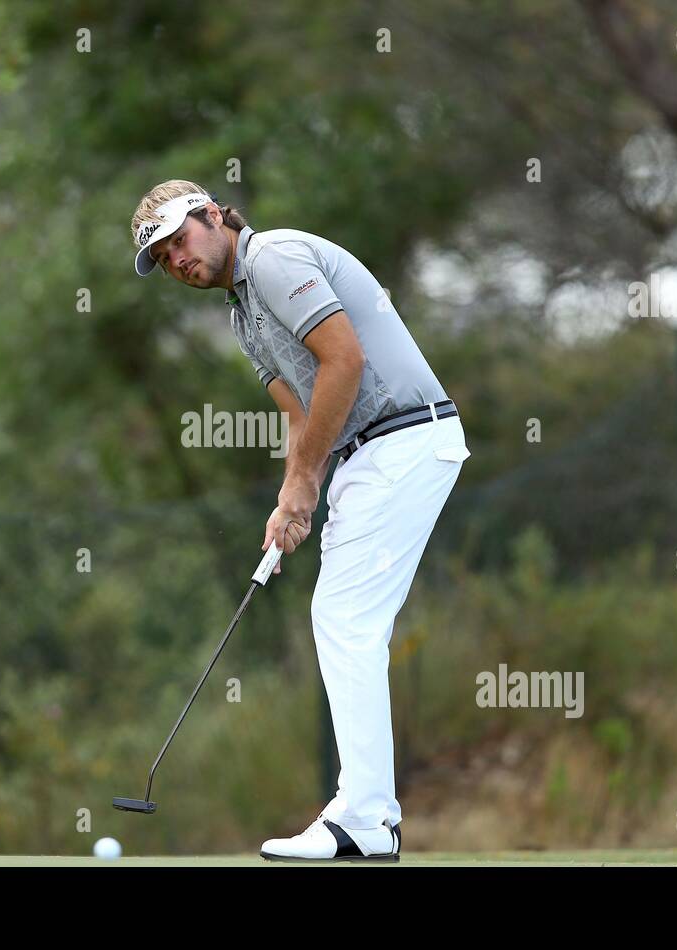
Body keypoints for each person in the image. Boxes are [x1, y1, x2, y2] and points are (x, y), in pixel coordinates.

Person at [130, 180, 470, 862]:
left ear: (212, 216)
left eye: (180, 241)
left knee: (344, 618)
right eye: (164, 259)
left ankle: (368, 817)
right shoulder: (240, 313)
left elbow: (345, 361)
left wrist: (300, 484)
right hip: (367, 455)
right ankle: (367, 815)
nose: (178, 261)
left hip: (405, 438)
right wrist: (300, 493)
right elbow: (300, 413)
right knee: (344, 620)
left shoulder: (276, 258)